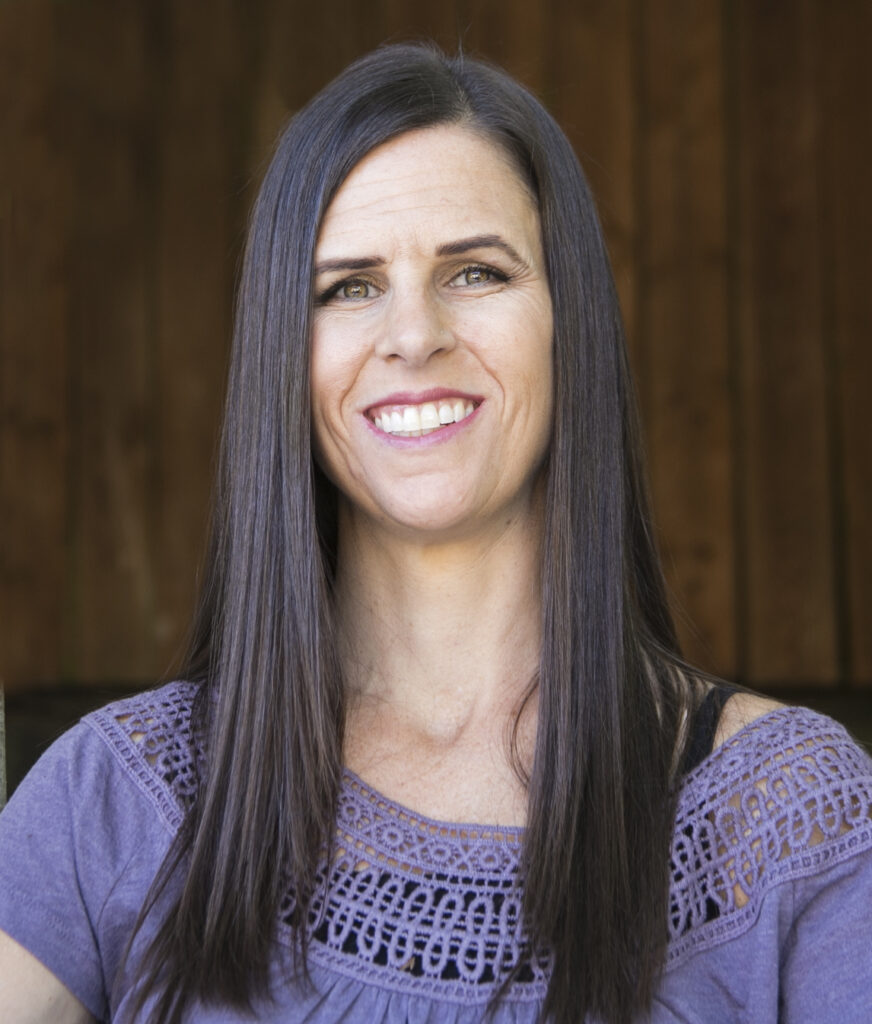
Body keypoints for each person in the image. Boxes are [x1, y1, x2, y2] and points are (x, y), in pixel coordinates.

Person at [1, 42, 871, 1024]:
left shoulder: (788, 815)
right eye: (348, 287)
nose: (412, 336)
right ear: (284, 356)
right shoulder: (115, 798)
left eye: (473, 271)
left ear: (564, 320)